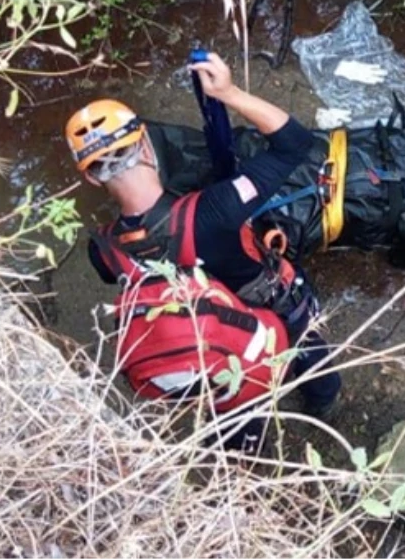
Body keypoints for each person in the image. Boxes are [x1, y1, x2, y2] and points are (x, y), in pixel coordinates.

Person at [64, 52, 342, 452]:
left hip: (214, 346)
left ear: (91, 176)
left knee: (234, 407)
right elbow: (294, 144)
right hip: (273, 315)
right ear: (144, 144)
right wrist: (228, 92)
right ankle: (322, 403)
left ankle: (241, 460)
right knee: (310, 352)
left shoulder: (103, 249)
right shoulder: (215, 209)